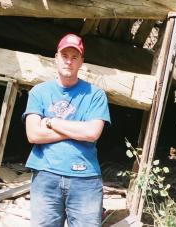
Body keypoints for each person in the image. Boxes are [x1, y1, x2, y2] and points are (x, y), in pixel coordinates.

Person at [23, 33, 111, 227]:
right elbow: (33, 135)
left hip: (85, 179)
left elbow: (92, 133)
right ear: (56, 58)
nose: (69, 61)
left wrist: (51, 122)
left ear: (81, 62)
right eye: (64, 56)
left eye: (74, 57)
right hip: (46, 176)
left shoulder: (95, 95)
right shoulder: (39, 92)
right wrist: (77, 129)